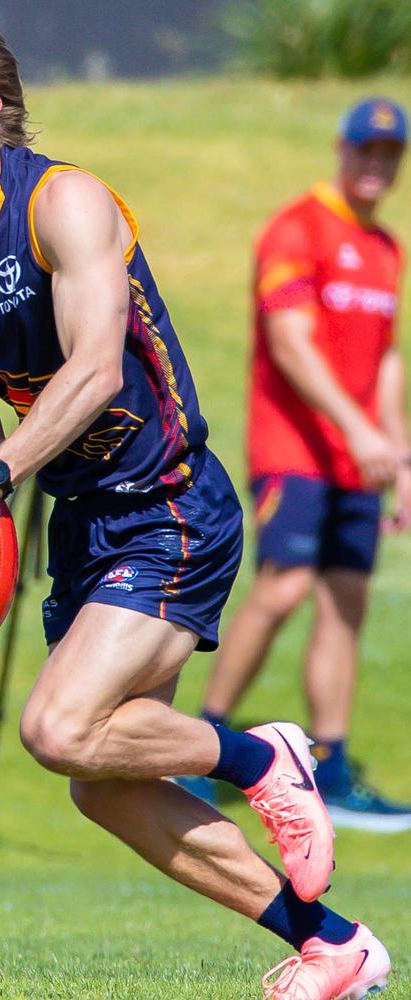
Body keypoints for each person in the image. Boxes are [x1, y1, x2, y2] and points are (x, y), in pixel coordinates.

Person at [0, 14, 391, 997]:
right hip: (82, 529)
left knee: (55, 729)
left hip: (168, 506)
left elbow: (93, 370)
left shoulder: (63, 204)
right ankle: (332, 946)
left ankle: (258, 752)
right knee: (99, 786)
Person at [183, 97, 411, 834]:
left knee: (347, 602)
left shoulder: (386, 249)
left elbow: (385, 360)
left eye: (390, 155)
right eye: (366, 151)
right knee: (282, 591)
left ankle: (333, 766)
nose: (376, 166)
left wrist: (396, 453)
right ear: (342, 149)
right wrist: (356, 430)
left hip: (361, 462)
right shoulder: (298, 228)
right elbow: (290, 343)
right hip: (295, 451)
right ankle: (202, 749)